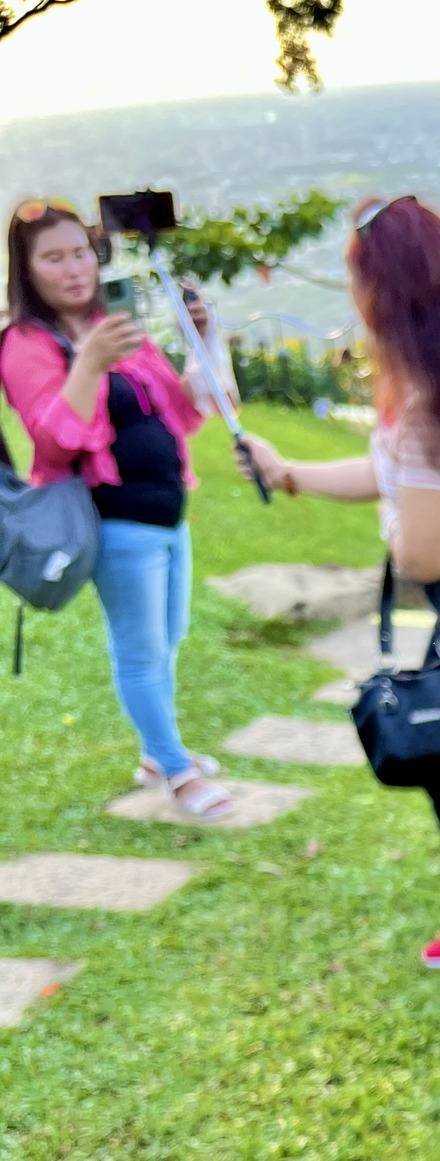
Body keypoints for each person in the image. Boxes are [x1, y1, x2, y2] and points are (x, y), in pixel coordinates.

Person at [243, 195, 440, 970]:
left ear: (379, 291)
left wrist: (394, 533)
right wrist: (292, 476)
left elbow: (419, 555)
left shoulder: (428, 406)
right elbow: (391, 475)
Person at [1, 198, 235, 820]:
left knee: (169, 638)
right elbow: (52, 438)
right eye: (53, 257)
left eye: (80, 251)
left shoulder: (116, 325)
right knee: (139, 648)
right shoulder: (26, 342)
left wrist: (200, 336)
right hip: (111, 520)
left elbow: (184, 410)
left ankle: (158, 754)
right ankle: (177, 772)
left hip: (167, 512)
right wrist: (90, 362)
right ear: (26, 269)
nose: (74, 268)